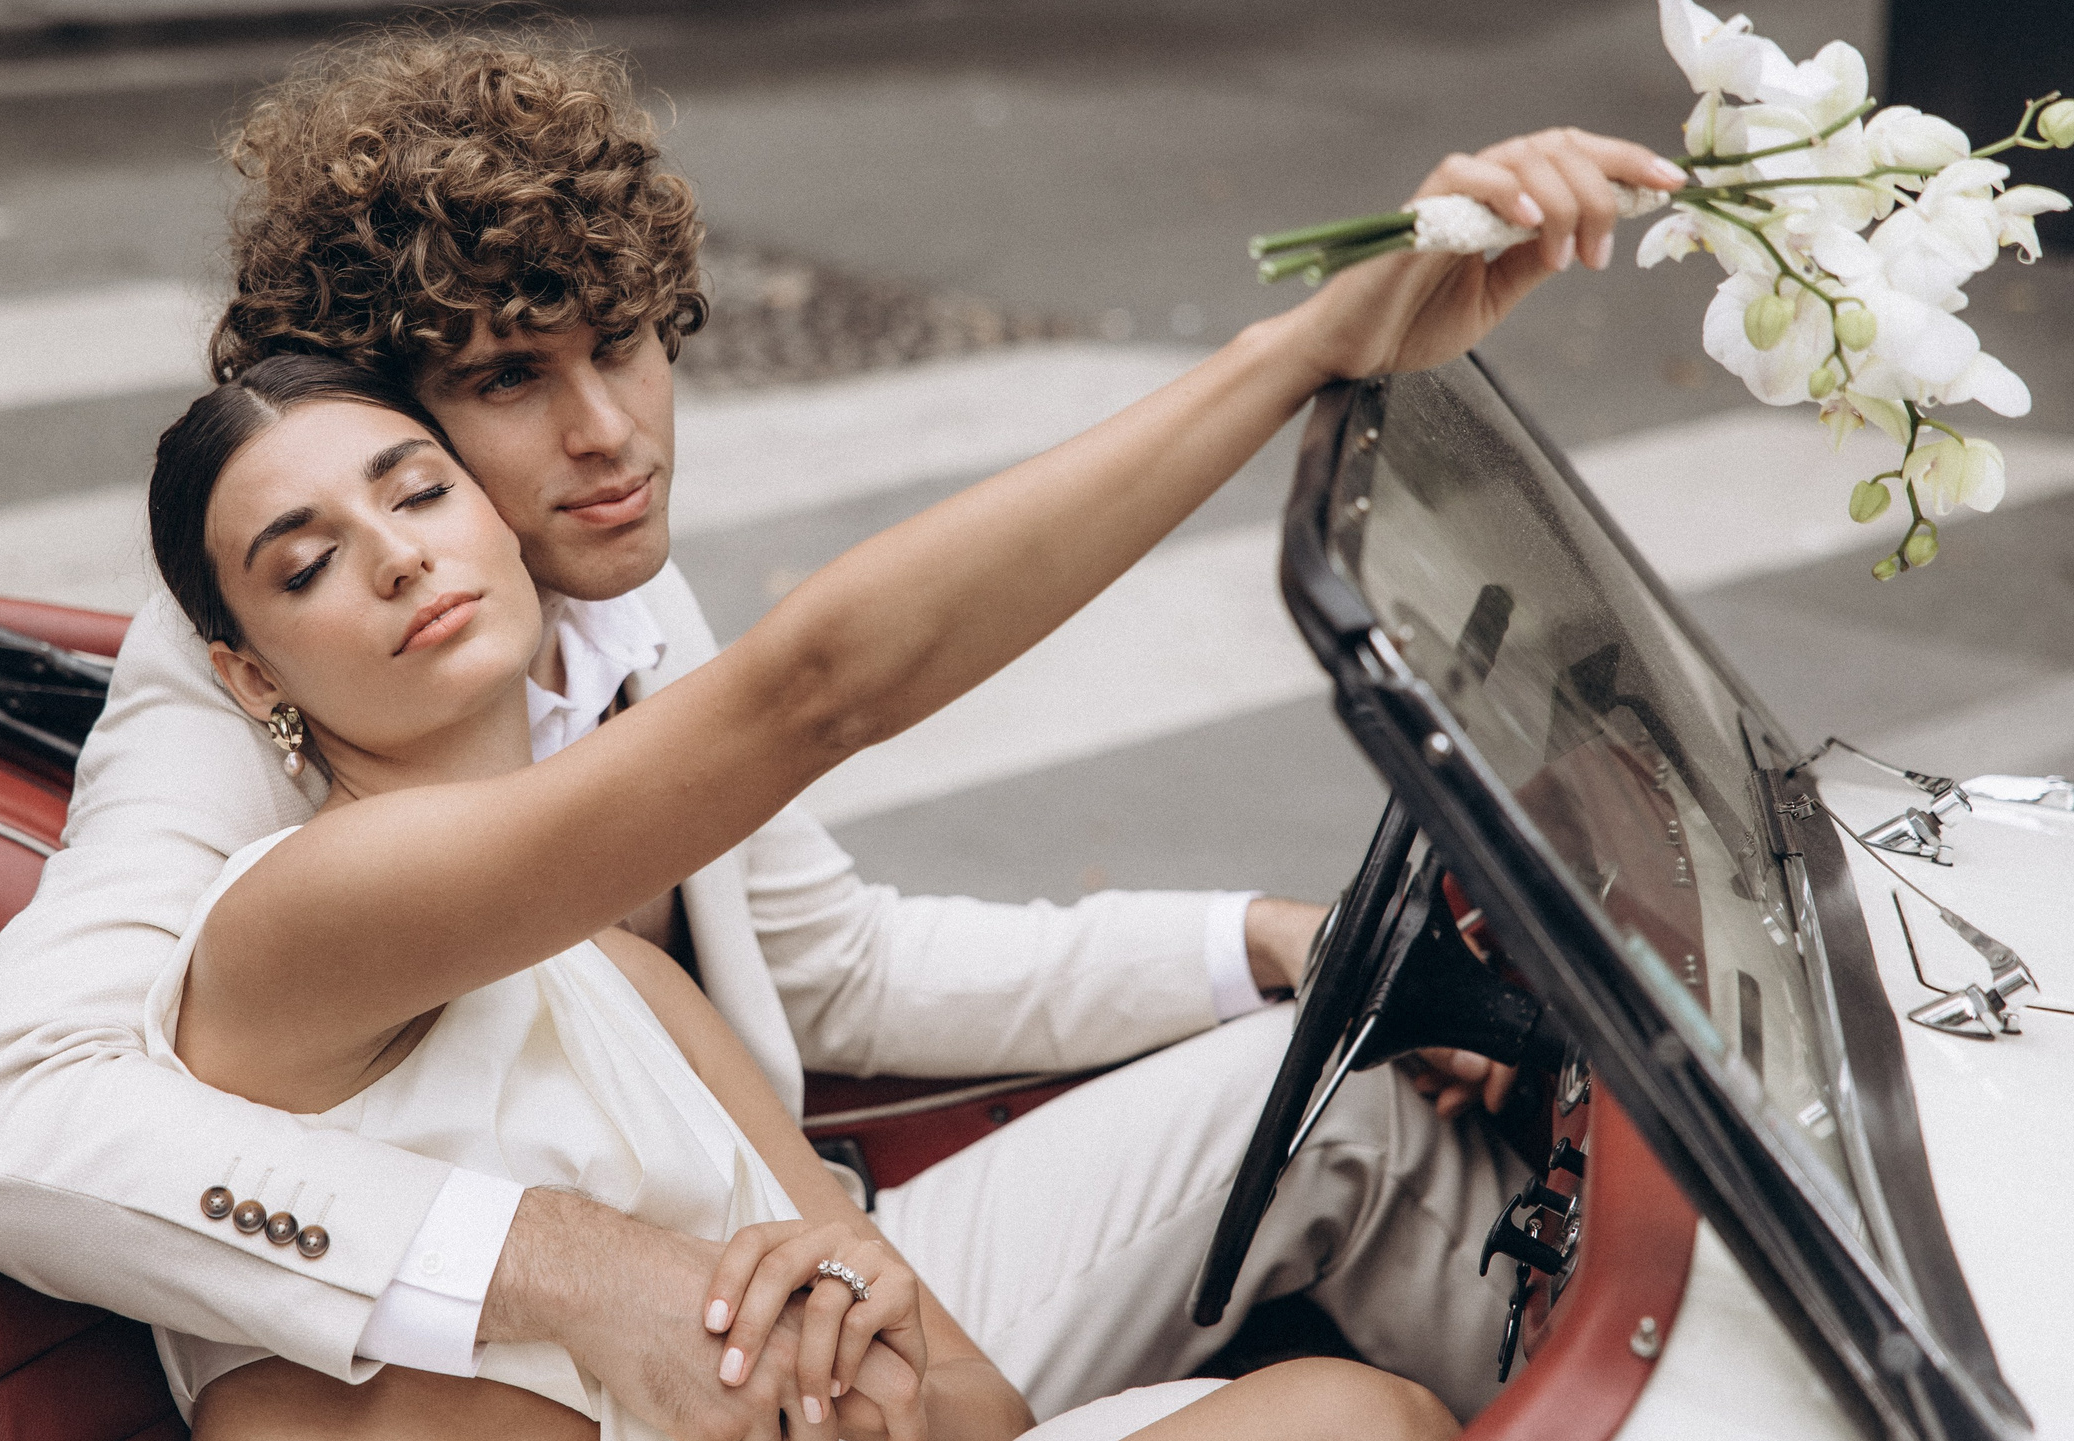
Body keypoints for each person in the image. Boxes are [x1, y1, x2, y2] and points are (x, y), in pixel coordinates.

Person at [0, 21, 1686, 1436]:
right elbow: (2, 1121)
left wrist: (1265, 944)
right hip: (540, 1347)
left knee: (1361, 1135)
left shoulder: (582, 581)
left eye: (625, 341)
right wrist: (580, 1272)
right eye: (510, 378)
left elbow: (824, 969)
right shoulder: (245, 722)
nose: (610, 435)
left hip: (777, 1293)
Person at [145, 350, 1472, 1439]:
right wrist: (1299, 348)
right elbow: (816, 689)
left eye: (420, 494)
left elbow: (972, 1400)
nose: (394, 557)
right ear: (254, 677)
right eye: (304, 562)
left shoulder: (632, 973)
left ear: (492, 517)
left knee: (1354, 1412)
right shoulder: (290, 920)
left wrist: (871, 1333)